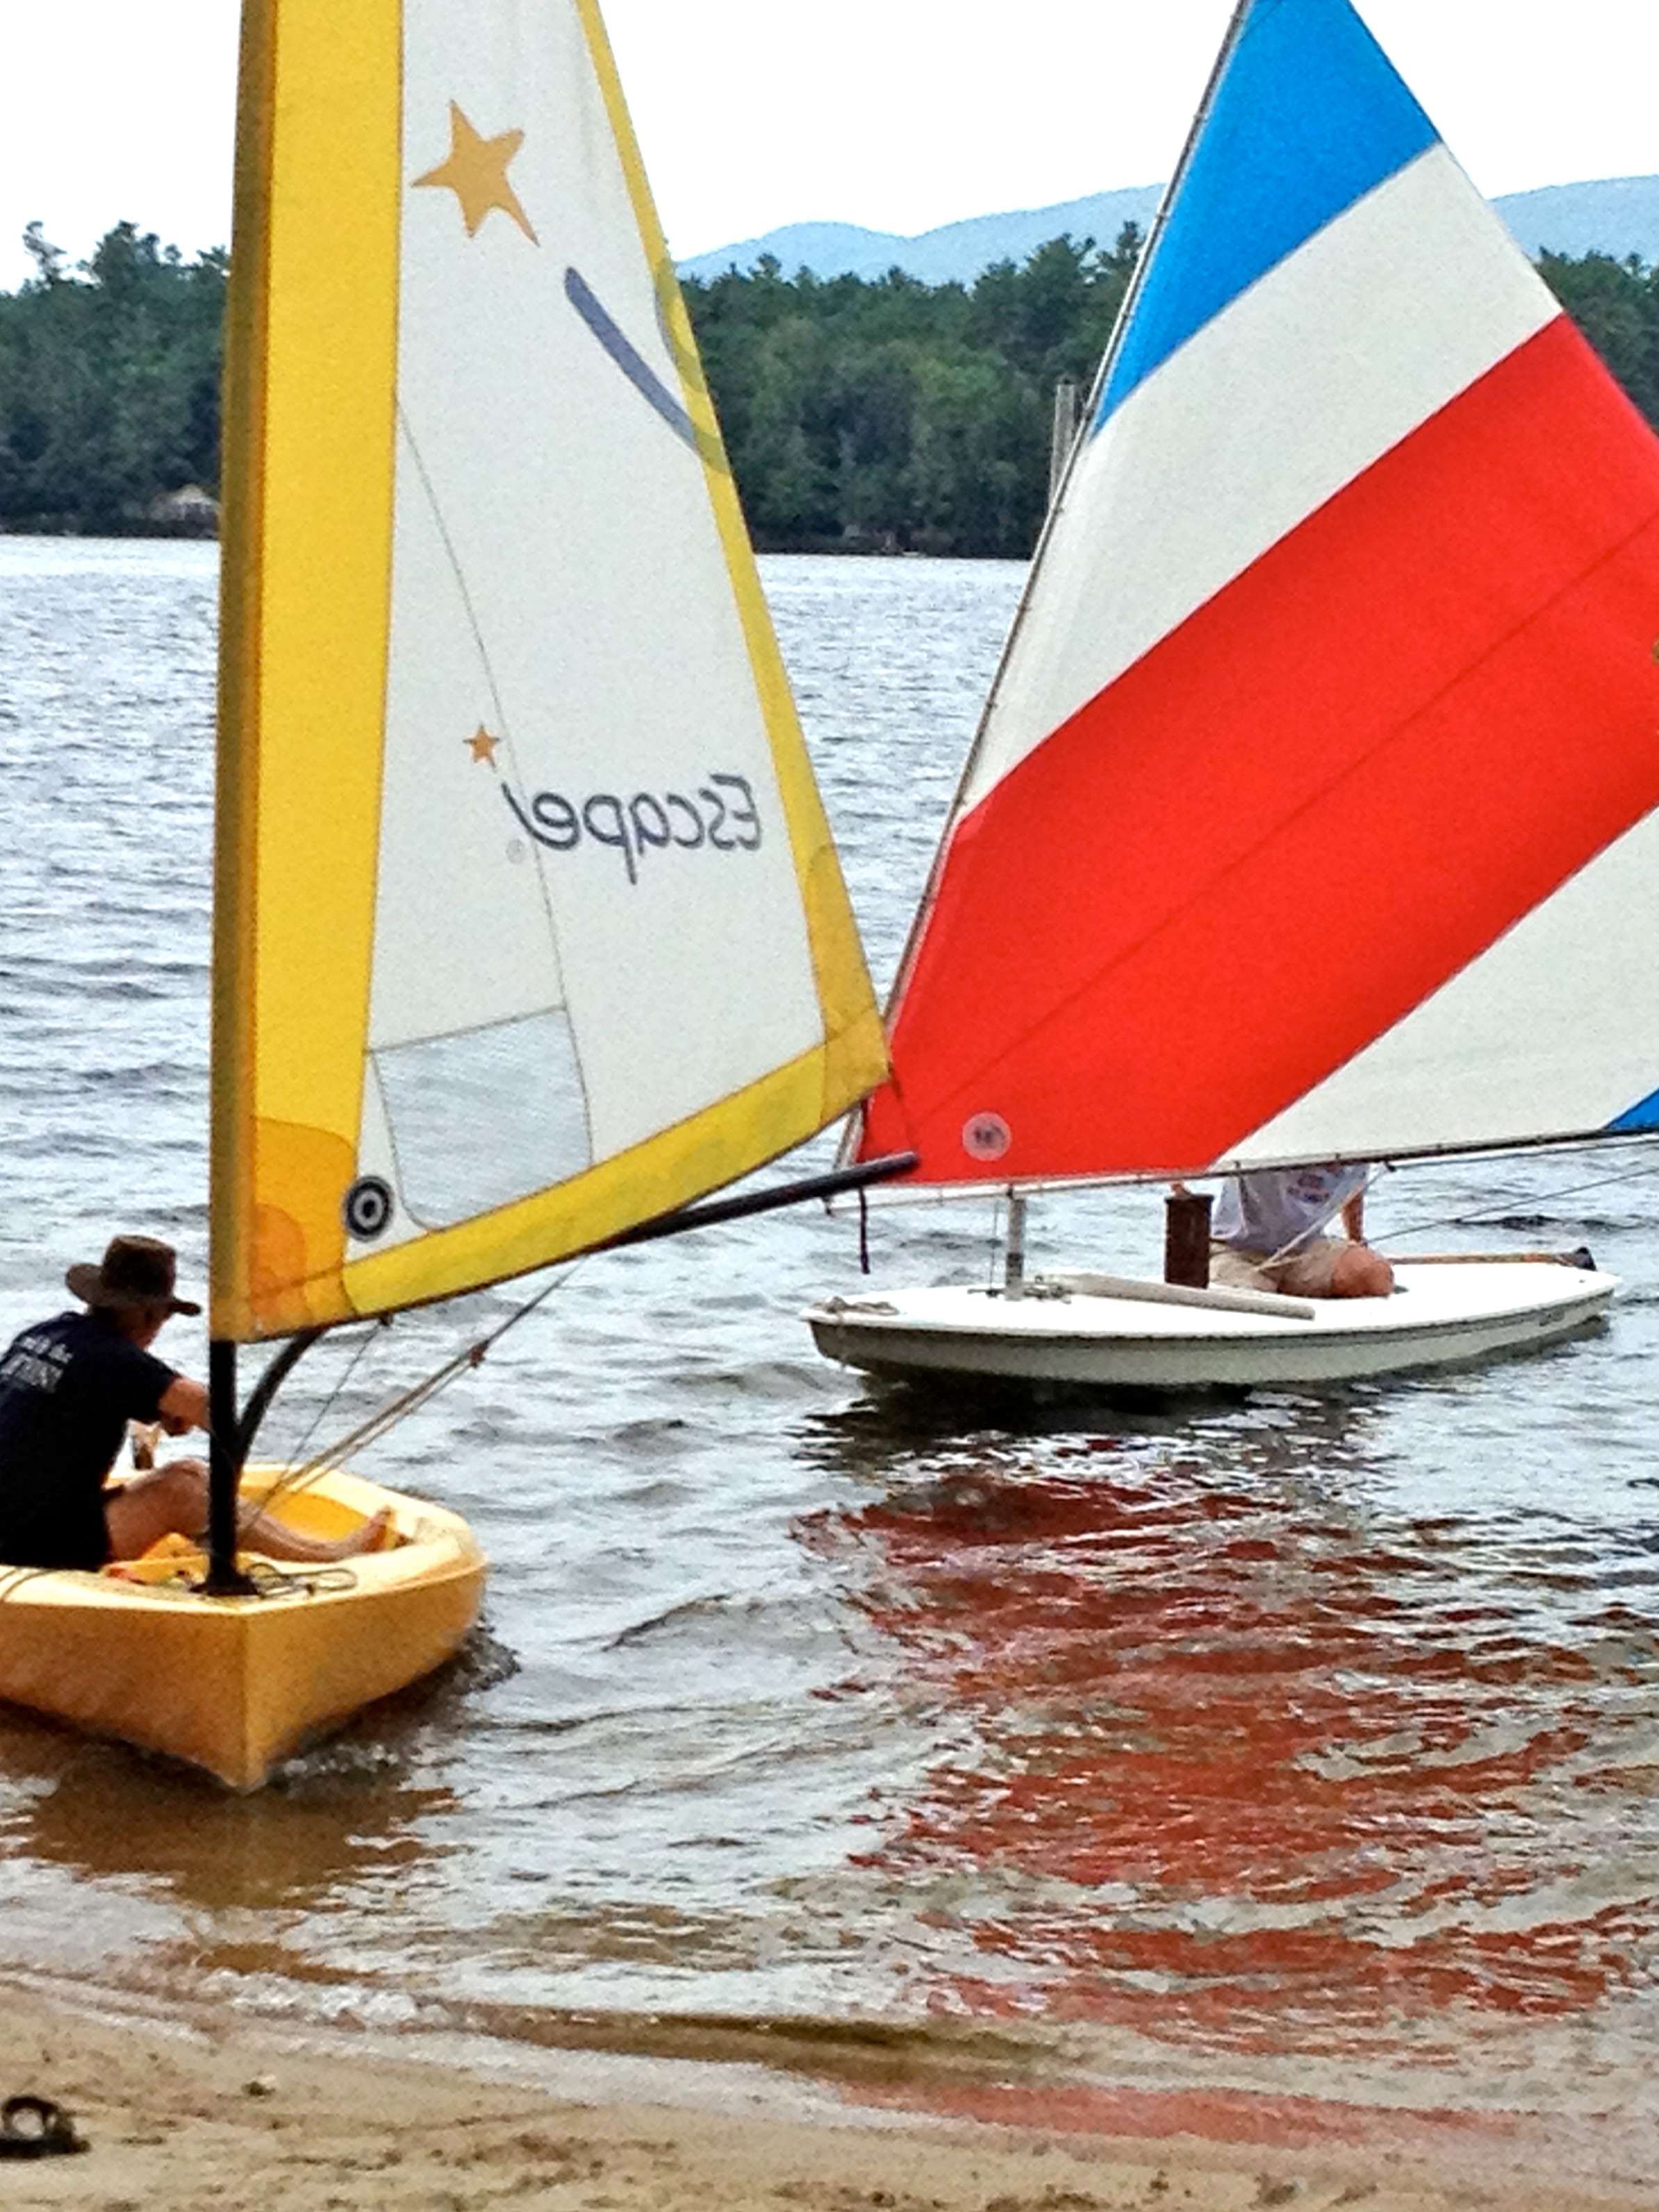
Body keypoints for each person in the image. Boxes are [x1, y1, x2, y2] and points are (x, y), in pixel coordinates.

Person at [0, 1235, 387, 1573]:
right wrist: (185, 1413)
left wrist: (169, 1412)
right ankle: (325, 1561)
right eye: (164, 1317)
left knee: (189, 1473)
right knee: (180, 1494)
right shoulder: (116, 1359)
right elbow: (210, 1407)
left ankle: (316, 1549)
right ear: (151, 1313)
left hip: (20, 1516)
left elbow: (79, 1399)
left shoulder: (46, 1334)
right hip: (31, 1543)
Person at [1209, 1165, 1394, 1299]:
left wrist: (1356, 1238)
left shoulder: (1355, 1152)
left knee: (1376, 1275)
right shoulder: (1271, 1138)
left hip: (1305, 1248)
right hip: (1237, 1250)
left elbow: (1355, 1192)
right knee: (1255, 1303)